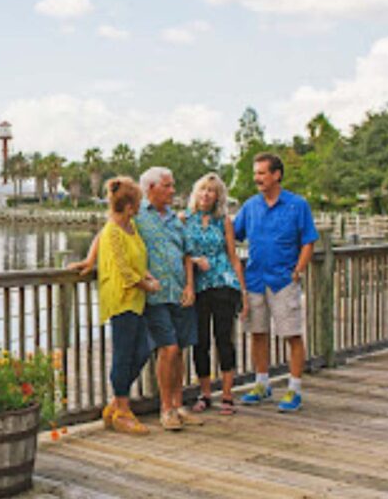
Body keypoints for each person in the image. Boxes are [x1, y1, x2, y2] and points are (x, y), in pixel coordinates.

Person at [71, 167, 200, 430]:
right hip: (138, 298)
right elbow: (106, 233)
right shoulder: (135, 217)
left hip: (166, 293)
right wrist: (90, 259)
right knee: (155, 349)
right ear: (149, 190)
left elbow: (182, 252)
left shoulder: (171, 220)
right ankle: (134, 407)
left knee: (156, 352)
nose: (173, 190)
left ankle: (164, 405)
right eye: (168, 185)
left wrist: (188, 284)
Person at [235, 153, 318, 412]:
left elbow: (308, 241)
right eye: (256, 173)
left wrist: (298, 270)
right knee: (257, 334)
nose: (257, 178)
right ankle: (262, 384)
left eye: (261, 173)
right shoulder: (250, 207)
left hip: (283, 280)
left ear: (276, 174)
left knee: (292, 334)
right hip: (255, 280)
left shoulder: (297, 205)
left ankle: (294, 390)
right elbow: (232, 235)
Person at [94, 176, 160, 435]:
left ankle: (115, 402)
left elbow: (137, 263)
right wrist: (147, 285)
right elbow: (123, 269)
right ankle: (122, 408)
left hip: (137, 299)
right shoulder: (112, 231)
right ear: (130, 206)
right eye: (139, 203)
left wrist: (146, 277)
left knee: (143, 350)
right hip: (121, 298)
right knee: (123, 354)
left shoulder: (131, 227)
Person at [182, 173, 246, 415]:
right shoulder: (185, 219)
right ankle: (205, 393)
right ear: (195, 193)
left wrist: (243, 291)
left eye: (211, 190)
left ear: (218, 196)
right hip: (198, 287)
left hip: (223, 283)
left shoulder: (224, 221)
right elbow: (180, 252)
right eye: (202, 190)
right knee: (200, 341)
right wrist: (195, 259)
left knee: (223, 338)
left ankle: (227, 395)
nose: (206, 194)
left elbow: (232, 256)